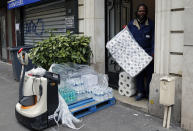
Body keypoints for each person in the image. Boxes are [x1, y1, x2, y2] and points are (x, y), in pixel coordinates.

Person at [127, 4, 154, 101]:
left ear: (146, 12)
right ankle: (140, 92)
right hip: (136, 54)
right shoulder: (131, 24)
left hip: (148, 53)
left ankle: (148, 93)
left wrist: (153, 52)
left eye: (143, 11)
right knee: (139, 74)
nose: (141, 13)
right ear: (137, 12)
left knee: (149, 74)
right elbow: (128, 38)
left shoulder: (151, 24)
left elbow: (154, 39)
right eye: (140, 11)